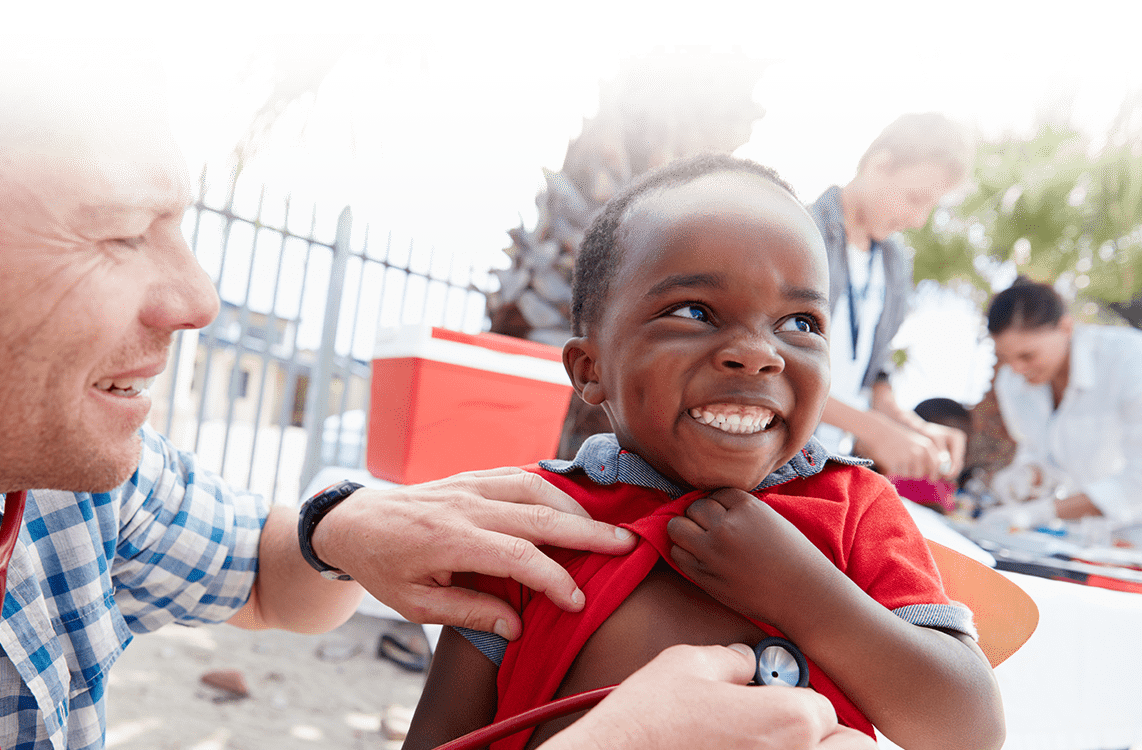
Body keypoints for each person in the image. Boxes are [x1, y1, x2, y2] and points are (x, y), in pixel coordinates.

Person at [0, 51, 875, 750]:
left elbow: (273, 575)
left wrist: (347, 529)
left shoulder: (49, 487)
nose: (196, 300)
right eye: (120, 233)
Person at [402, 155, 1004, 750]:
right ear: (590, 369)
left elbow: (969, 730)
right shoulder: (533, 526)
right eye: (694, 313)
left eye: (800, 322)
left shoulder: (854, 509)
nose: (758, 353)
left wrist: (805, 593)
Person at [807, 113, 972, 481]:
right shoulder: (801, 233)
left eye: (931, 206)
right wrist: (874, 430)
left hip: (829, 463)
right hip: (776, 458)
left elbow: (873, 376)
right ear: (879, 165)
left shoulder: (894, 262)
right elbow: (780, 365)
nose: (919, 220)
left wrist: (911, 426)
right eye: (915, 199)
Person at [984, 277, 1142, 544]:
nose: (1017, 369)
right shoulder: (1011, 382)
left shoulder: (1130, 359)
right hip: (1079, 538)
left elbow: (1138, 482)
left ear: (1066, 328)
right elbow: (1041, 455)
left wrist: (1041, 513)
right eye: (1006, 358)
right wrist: (1028, 474)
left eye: (1027, 356)